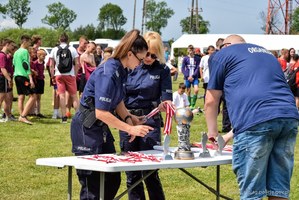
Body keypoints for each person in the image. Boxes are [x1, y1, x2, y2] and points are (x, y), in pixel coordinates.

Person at [205, 34, 299, 200]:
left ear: (226, 45)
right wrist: (228, 135)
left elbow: (211, 100)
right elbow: (263, 105)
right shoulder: (267, 54)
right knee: (279, 189)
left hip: (257, 121)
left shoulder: (222, 55)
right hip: (288, 117)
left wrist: (212, 132)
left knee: (252, 193)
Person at [71, 29, 153, 200]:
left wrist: (129, 119)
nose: (141, 64)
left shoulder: (121, 70)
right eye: (140, 59)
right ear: (129, 54)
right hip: (86, 129)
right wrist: (130, 130)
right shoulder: (108, 72)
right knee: (92, 185)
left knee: (112, 178)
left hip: (100, 130)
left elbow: (117, 101)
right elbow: (101, 112)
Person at [119, 31, 173, 200]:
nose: (149, 58)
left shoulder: (162, 70)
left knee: (150, 171)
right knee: (132, 172)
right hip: (128, 120)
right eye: (146, 54)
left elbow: (167, 97)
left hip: (150, 121)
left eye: (153, 55)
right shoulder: (130, 66)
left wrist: (166, 104)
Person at [49, 32, 79, 123]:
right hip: (70, 74)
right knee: (74, 96)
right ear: (68, 40)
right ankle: (78, 117)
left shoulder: (54, 49)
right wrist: (75, 74)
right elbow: (77, 63)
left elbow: (51, 65)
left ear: (59, 40)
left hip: (59, 74)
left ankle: (63, 117)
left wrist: (52, 76)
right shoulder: (72, 49)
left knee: (61, 95)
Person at [13, 35, 36, 125]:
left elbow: (14, 64)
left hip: (16, 76)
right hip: (23, 76)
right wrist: (31, 78)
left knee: (21, 96)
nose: (29, 44)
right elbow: (25, 65)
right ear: (25, 41)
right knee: (33, 96)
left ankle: (21, 115)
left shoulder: (16, 52)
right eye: (29, 42)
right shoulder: (24, 51)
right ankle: (23, 116)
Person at [0, 39, 16, 122]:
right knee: (1, 98)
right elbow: (2, 68)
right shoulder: (2, 55)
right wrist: (9, 79)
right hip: (3, 79)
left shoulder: (5, 55)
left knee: (7, 99)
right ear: (7, 44)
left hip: (4, 79)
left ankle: (8, 116)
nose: (12, 47)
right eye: (11, 45)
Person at [181, 44, 200, 110]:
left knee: (196, 90)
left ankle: (193, 104)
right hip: (187, 78)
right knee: (188, 91)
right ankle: (189, 104)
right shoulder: (185, 59)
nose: (191, 51)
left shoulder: (197, 58)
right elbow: (183, 69)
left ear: (193, 50)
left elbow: (197, 68)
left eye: (192, 50)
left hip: (195, 77)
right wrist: (187, 76)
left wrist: (193, 76)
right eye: (190, 50)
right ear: (188, 50)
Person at [31, 49, 47, 117]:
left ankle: (38, 112)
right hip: (36, 80)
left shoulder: (43, 63)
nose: (44, 57)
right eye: (43, 56)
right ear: (39, 56)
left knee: (39, 97)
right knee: (35, 97)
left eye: (44, 56)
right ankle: (34, 111)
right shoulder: (35, 63)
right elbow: (32, 70)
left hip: (41, 80)